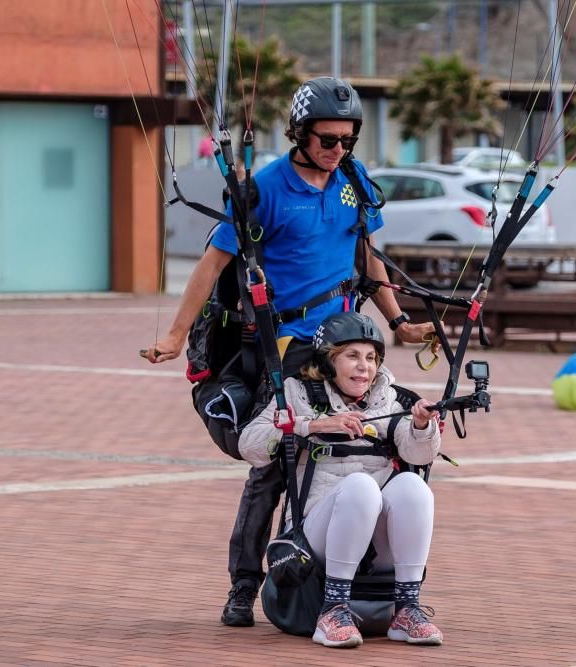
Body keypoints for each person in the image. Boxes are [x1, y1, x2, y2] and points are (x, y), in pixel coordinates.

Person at [141, 76, 435, 627]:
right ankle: (243, 587)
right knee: (275, 467)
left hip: (348, 342)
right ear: (299, 134)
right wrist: (175, 335)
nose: (337, 150)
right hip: (290, 348)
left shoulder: (352, 178)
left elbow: (369, 254)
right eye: (327, 139)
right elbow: (213, 264)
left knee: (380, 447)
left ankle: (357, 587)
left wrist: (397, 322)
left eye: (347, 140)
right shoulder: (268, 188)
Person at [238, 311, 444, 648]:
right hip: (315, 534)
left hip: (375, 536)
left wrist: (421, 425)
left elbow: (419, 455)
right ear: (329, 360)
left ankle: (406, 609)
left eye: (371, 357)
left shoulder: (387, 399)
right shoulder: (297, 392)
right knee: (361, 487)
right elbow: (251, 446)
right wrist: (313, 425)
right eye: (352, 356)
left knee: (413, 487)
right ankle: (333, 609)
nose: (364, 366)